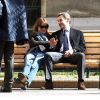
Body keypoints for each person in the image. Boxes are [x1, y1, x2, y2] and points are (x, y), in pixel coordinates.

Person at [43, 12, 86, 90]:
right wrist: (52, 46)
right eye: (58, 21)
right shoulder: (56, 34)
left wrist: (73, 51)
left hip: (73, 55)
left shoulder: (78, 33)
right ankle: (48, 83)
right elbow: (49, 49)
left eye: (60, 20)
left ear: (68, 20)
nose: (59, 23)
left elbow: (82, 47)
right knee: (47, 54)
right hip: (60, 55)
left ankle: (81, 82)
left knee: (81, 55)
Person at [15, 17, 53, 90]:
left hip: (42, 54)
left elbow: (50, 47)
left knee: (35, 65)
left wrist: (50, 44)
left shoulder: (49, 36)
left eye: (46, 27)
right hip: (32, 52)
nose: (44, 28)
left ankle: (26, 82)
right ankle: (24, 76)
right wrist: (48, 42)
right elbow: (34, 42)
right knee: (28, 61)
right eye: (42, 26)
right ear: (37, 26)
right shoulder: (32, 35)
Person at [0, 0, 28, 92]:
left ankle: (8, 85)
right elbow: (21, 16)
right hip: (11, 34)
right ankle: (8, 86)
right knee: (9, 59)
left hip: (1, 32)